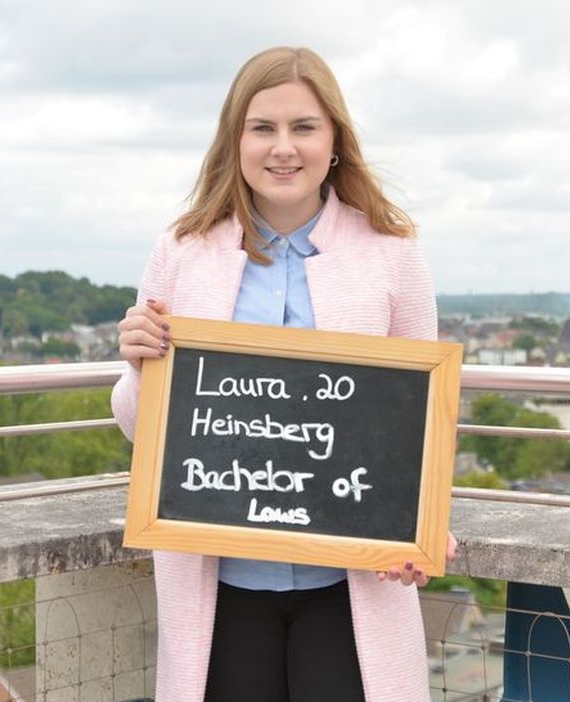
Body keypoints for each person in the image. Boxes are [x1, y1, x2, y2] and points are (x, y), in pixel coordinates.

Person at [112, 46, 457, 702]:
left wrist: (424, 523)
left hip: (349, 592)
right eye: (262, 128)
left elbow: (422, 421)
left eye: (303, 127)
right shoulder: (181, 251)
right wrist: (137, 368)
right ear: (234, 141)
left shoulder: (394, 255)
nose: (283, 148)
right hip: (220, 589)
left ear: (335, 143)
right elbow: (141, 431)